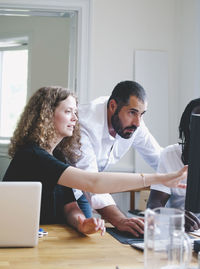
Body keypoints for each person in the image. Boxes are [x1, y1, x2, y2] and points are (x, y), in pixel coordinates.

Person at [3, 86, 187, 237]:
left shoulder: (58, 155)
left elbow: (69, 206)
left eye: (75, 112)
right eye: (68, 112)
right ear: (46, 115)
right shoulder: (33, 155)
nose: (76, 118)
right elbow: (94, 182)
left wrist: (81, 222)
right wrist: (158, 178)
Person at [75, 80, 162, 234]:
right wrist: (120, 220)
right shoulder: (84, 124)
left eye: (141, 114)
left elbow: (159, 158)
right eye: (132, 112)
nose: (137, 123)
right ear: (113, 106)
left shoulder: (135, 124)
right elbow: (91, 180)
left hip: (91, 184)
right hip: (68, 188)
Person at [147, 98, 200, 232]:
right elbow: (153, 205)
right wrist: (173, 216)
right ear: (186, 127)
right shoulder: (170, 155)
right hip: (183, 233)